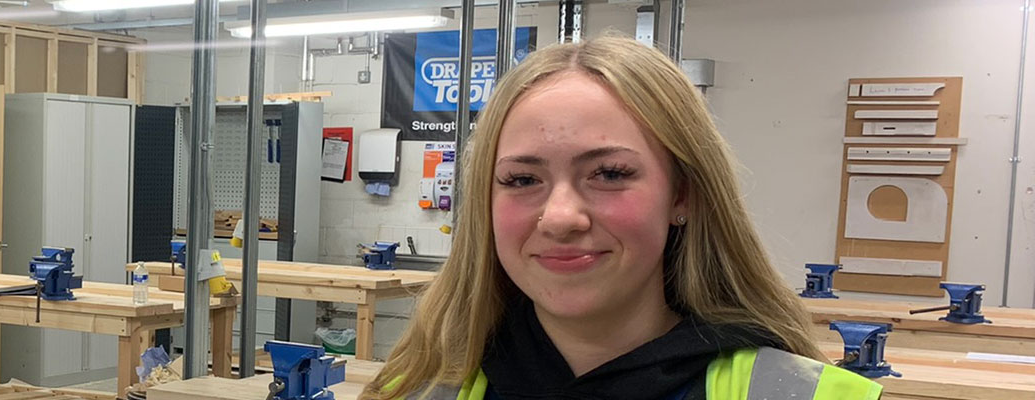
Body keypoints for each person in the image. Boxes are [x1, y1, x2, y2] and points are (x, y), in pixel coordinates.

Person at [363, 37, 881, 399]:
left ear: (684, 195)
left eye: (609, 173)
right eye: (522, 180)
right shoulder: (413, 391)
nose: (561, 216)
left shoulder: (802, 395)